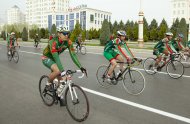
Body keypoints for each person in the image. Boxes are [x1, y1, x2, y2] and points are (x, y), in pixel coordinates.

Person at [41, 27, 87, 106]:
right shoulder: (53, 41)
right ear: (59, 34)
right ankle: (48, 84)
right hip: (46, 58)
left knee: (63, 80)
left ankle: (59, 95)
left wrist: (81, 67)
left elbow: (73, 55)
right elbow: (56, 57)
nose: (67, 35)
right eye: (64, 33)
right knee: (59, 71)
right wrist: (62, 71)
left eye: (68, 33)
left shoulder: (68, 42)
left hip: (54, 60)